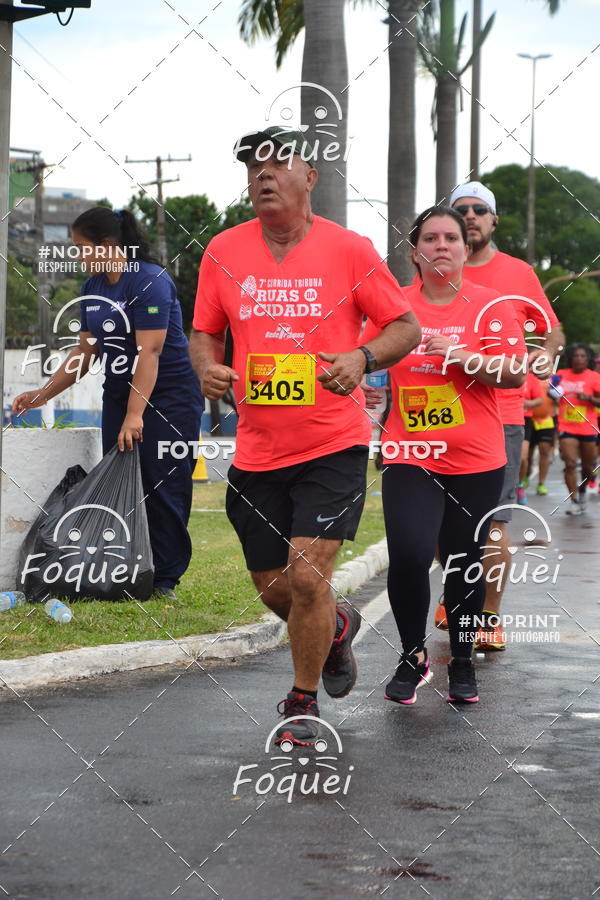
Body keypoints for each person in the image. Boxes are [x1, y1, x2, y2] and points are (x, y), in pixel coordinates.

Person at [190, 126, 420, 745]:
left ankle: (301, 702)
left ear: (310, 177)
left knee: (309, 576)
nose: (262, 175)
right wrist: (206, 366)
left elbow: (405, 326)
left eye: (277, 163)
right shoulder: (223, 251)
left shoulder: (350, 250)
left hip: (332, 442)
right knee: (277, 590)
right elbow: (204, 331)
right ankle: (337, 629)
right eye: (253, 167)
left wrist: (364, 357)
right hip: (258, 448)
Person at [362, 206, 526, 705]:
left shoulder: (490, 306)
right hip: (410, 452)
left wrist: (461, 355)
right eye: (430, 239)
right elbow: (361, 359)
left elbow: (515, 373)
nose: (441, 246)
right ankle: (413, 658)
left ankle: (462, 661)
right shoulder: (393, 308)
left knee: (463, 563)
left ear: (464, 249)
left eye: (451, 238)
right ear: (415, 252)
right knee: (410, 555)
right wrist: (368, 393)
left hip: (476, 458)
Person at [12, 207, 203, 600]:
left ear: (109, 245)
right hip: (119, 392)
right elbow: (86, 352)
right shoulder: (93, 288)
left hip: (169, 397)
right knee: (125, 478)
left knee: (163, 483)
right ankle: (128, 568)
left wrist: (136, 415)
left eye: (82, 248)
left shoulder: (150, 282)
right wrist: (43, 394)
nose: (78, 255)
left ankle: (164, 580)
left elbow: (149, 352)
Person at [435, 181, 565, 651]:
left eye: (478, 210)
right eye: (460, 210)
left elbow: (550, 332)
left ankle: (487, 615)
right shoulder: (433, 269)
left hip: (500, 414)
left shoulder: (518, 273)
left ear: (493, 221)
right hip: (432, 415)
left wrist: (546, 357)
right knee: (438, 520)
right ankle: (455, 598)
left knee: (490, 522)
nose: (469, 217)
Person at [553, 344, 600, 515]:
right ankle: (573, 501)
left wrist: (589, 398)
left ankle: (582, 492)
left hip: (588, 426)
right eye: (576, 356)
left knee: (588, 468)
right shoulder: (561, 375)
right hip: (567, 425)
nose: (579, 358)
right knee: (570, 463)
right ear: (570, 358)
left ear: (587, 359)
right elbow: (551, 393)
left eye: (582, 356)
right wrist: (553, 392)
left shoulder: (594, 377)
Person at [517, 371, 543, 504]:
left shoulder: (531, 377)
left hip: (525, 420)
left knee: (522, 457)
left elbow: (539, 399)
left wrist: (527, 404)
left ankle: (519, 485)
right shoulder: (500, 371)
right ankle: (504, 489)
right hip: (502, 419)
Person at [527, 378, 556, 496]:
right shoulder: (526, 374)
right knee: (527, 455)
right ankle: (526, 474)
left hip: (546, 420)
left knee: (545, 452)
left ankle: (541, 483)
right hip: (528, 419)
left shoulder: (554, 378)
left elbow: (559, 398)